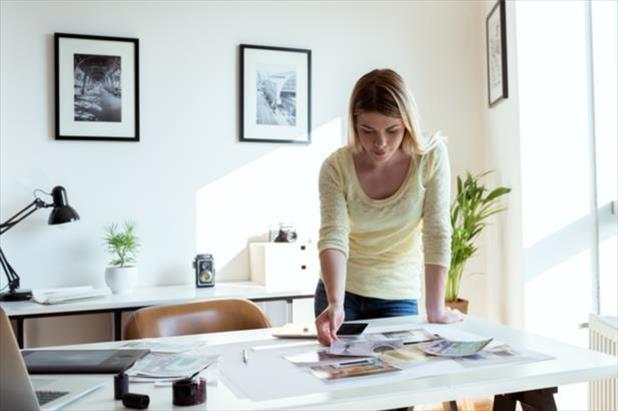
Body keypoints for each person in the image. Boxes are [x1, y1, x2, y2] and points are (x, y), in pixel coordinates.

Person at [315, 68, 463, 346]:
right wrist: (335, 303)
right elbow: (333, 236)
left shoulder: (430, 156)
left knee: (402, 382)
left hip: (397, 294)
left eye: (392, 130)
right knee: (342, 383)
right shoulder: (335, 167)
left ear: (407, 123)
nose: (380, 143)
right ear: (354, 124)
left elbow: (436, 230)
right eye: (367, 130)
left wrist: (436, 309)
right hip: (341, 293)